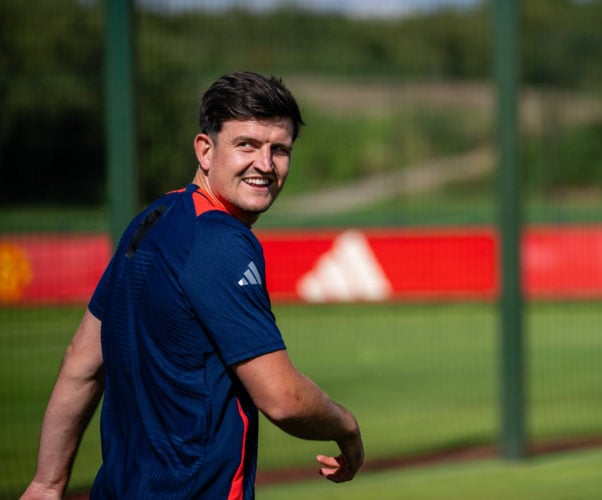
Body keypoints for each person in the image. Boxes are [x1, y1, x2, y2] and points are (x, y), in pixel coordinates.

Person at [21, 71, 364, 499]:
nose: (265, 164)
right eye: (247, 145)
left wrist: (46, 482)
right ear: (206, 150)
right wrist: (346, 426)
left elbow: (81, 361)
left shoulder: (155, 218)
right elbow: (283, 399)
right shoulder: (221, 243)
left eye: (280, 150)